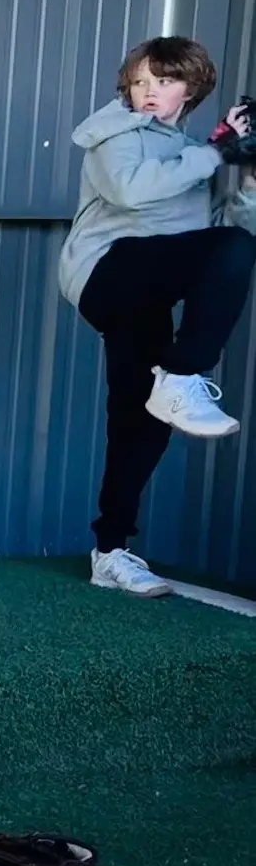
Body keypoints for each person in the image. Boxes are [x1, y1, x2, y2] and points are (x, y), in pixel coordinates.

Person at [59, 36, 256, 597]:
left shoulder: (192, 153)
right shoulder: (112, 134)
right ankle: (183, 374)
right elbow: (130, 191)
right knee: (230, 252)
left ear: (190, 90)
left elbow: (220, 236)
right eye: (140, 81)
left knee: (139, 417)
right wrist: (218, 151)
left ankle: (110, 552)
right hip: (105, 272)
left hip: (148, 292)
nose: (149, 91)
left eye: (165, 81)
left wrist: (250, 180)